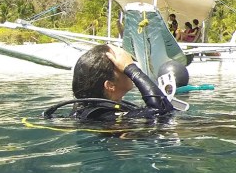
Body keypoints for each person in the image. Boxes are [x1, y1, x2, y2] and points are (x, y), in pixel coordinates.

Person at [43, 44, 176, 121]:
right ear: (110, 86)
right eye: (122, 66)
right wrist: (133, 70)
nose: (126, 66)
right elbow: (162, 112)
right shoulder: (108, 117)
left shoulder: (87, 109)